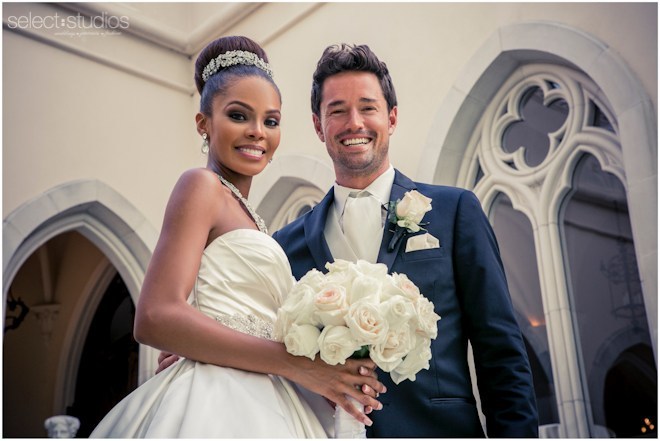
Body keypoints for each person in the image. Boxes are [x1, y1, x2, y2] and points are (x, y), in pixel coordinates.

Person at [90, 36, 385, 438]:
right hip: (221, 401)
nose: (257, 132)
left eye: (271, 120)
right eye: (238, 115)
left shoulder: (253, 219)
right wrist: (297, 366)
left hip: (271, 395)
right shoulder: (200, 186)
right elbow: (155, 316)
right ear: (203, 123)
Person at [270, 44, 539, 437]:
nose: (354, 123)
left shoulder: (454, 212)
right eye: (337, 111)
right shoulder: (286, 244)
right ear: (318, 125)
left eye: (368, 107)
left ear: (391, 117)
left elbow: (501, 353)